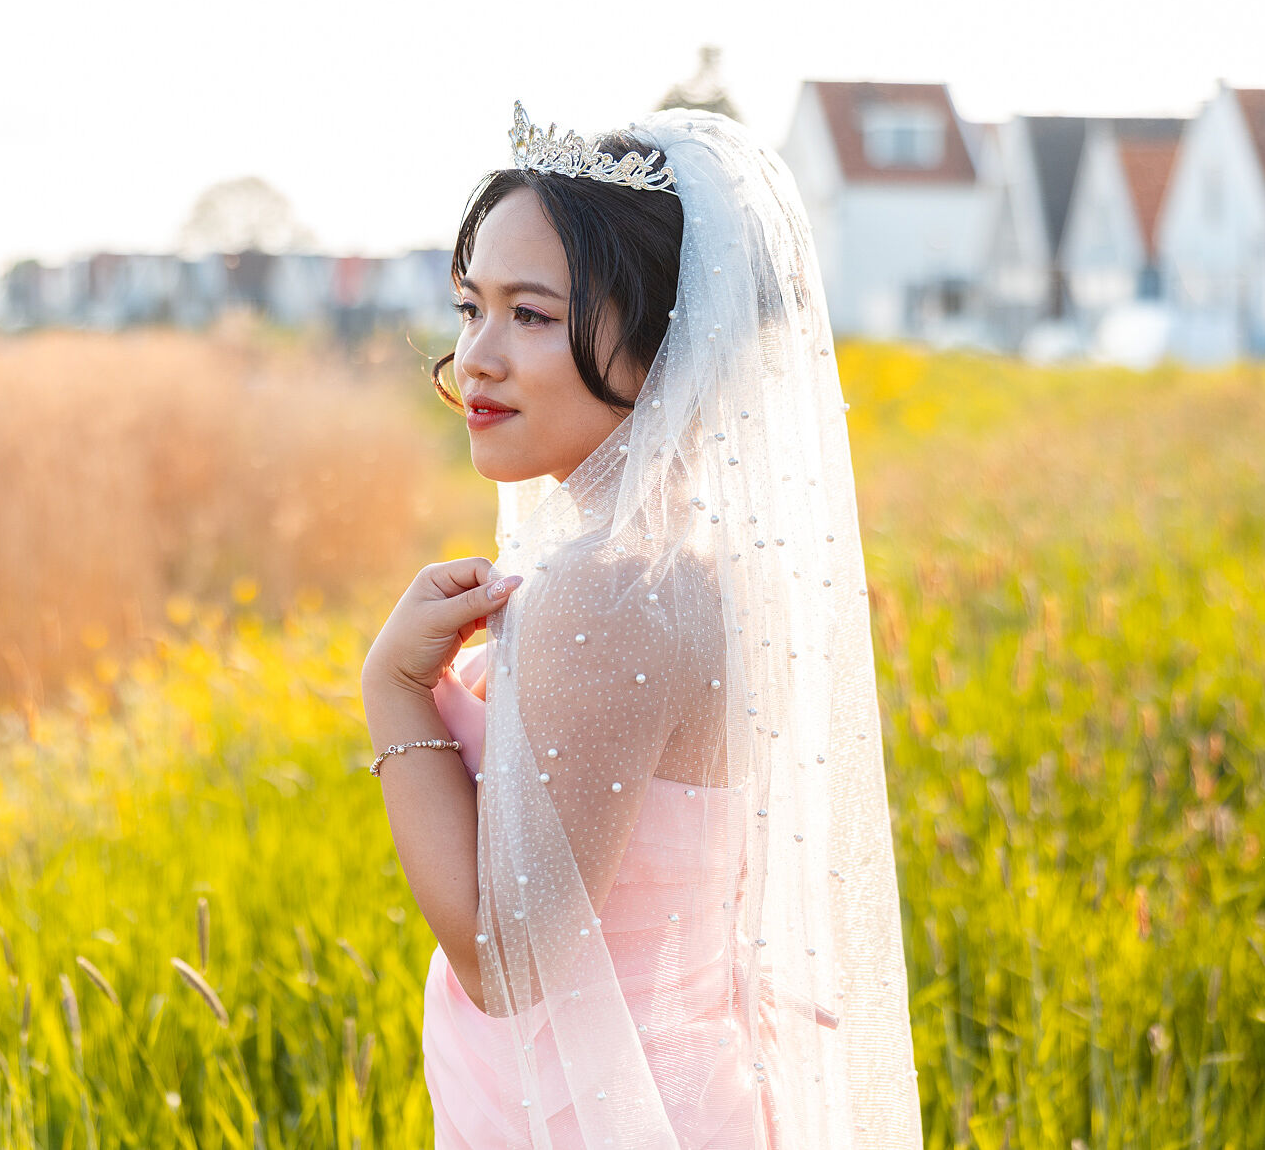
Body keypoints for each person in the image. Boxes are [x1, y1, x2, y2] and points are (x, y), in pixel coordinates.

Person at [361, 101, 922, 1148]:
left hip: (591, 1115)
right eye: (468, 306)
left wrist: (392, 692)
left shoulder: (607, 588)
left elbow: (505, 957)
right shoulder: (702, 563)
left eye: (529, 315)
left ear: (664, 336)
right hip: (670, 1089)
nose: (477, 356)